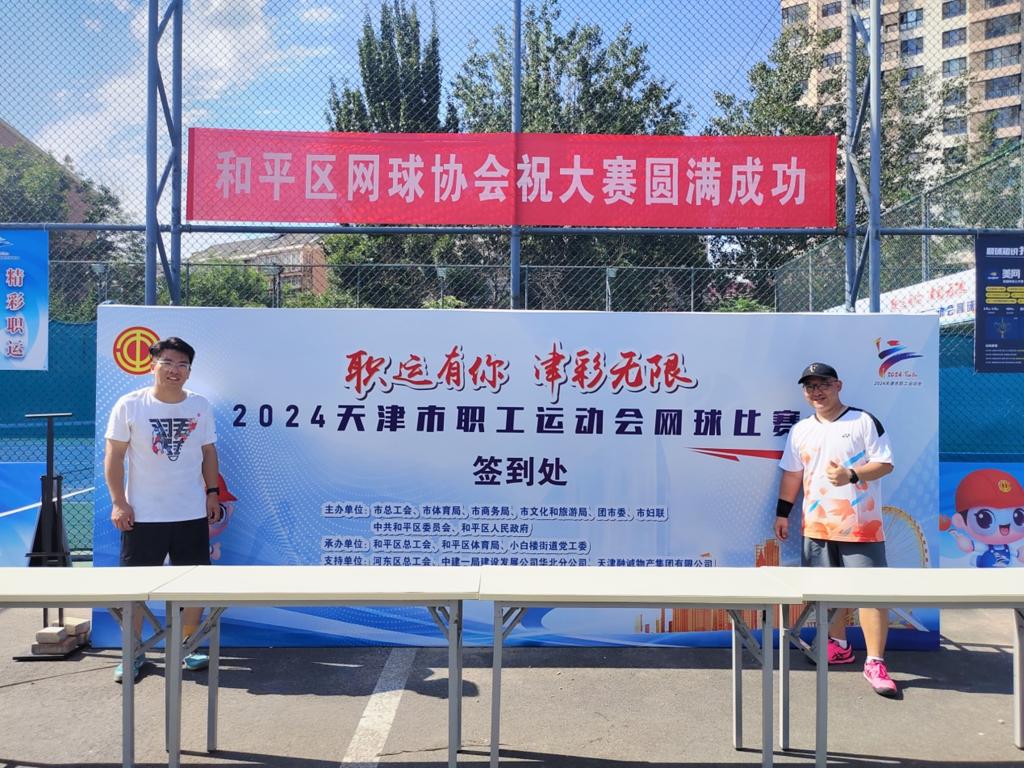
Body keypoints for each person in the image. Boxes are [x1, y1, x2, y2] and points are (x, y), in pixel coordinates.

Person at [773, 362, 898, 698]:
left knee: (871, 595)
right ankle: (839, 645)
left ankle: (875, 661)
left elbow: (884, 464)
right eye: (810, 386)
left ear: (838, 385)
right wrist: (782, 513)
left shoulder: (863, 421)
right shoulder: (800, 430)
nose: (817, 392)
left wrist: (851, 475)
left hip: (861, 526)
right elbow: (792, 474)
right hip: (816, 526)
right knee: (825, 594)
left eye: (823, 385)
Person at [104, 336, 222, 683]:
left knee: (195, 585)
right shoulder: (130, 405)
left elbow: (209, 452)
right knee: (135, 589)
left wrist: (211, 494)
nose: (175, 370)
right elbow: (114, 456)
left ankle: (188, 646)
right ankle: (133, 652)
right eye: (168, 362)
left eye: (183, 364)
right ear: (152, 365)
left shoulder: (200, 405)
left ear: (189, 371)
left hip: (190, 513)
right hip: (142, 516)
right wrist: (119, 502)